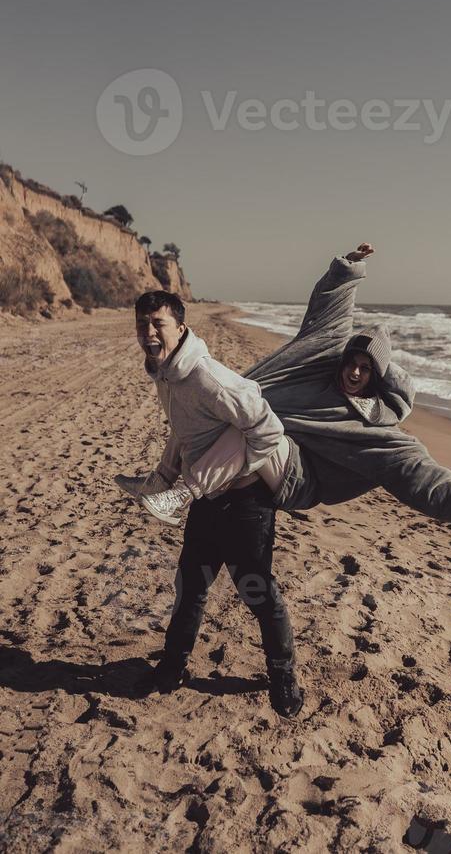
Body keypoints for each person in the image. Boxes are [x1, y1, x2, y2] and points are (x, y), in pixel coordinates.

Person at [121, 244, 451, 526]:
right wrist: (347, 271)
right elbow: (328, 317)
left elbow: (411, 465)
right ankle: (160, 480)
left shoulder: (372, 426)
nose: (355, 373)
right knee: (211, 403)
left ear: (375, 378)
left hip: (296, 477)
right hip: (267, 446)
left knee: (246, 419)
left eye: (366, 370)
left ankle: (180, 496)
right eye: (352, 363)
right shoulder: (319, 369)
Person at [128, 290, 303, 717]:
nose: (149, 332)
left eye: (159, 324)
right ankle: (173, 667)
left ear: (181, 328)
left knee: (257, 591)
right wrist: (165, 474)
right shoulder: (165, 371)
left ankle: (282, 674)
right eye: (142, 324)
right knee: (190, 587)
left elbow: (267, 432)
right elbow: (186, 431)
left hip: (246, 502)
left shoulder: (207, 377)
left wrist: (195, 482)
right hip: (208, 499)